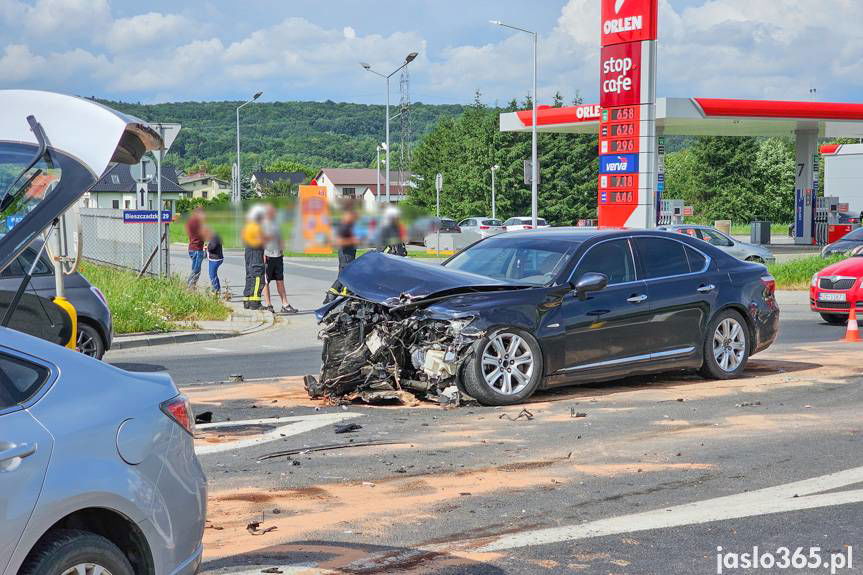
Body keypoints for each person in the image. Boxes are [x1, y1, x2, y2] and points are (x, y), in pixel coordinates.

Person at [261, 204, 297, 314]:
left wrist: (282, 250)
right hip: (267, 255)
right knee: (266, 282)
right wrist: (262, 255)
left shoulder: (275, 224)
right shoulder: (263, 224)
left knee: (280, 280)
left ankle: (285, 305)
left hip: (278, 256)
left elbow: (279, 237)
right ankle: (268, 305)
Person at [324, 205, 359, 303]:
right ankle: (334, 298)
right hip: (345, 255)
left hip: (348, 254)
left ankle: (332, 297)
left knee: (344, 276)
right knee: (345, 277)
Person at [241, 205, 266, 310]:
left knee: (249, 275)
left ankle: (246, 300)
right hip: (256, 252)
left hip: (249, 252)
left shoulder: (247, 226)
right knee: (257, 277)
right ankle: (255, 302)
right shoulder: (257, 227)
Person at [185, 207, 206, 289]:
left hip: (192, 247)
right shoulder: (197, 223)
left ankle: (189, 285)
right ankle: (190, 286)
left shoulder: (190, 221)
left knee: (194, 268)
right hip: (197, 248)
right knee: (197, 270)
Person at [205, 226, 224, 294]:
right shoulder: (215, 237)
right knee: (213, 274)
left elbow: (212, 247)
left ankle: (216, 290)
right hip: (215, 258)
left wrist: (207, 247)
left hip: (215, 259)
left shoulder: (214, 237)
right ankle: (216, 289)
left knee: (212, 274)